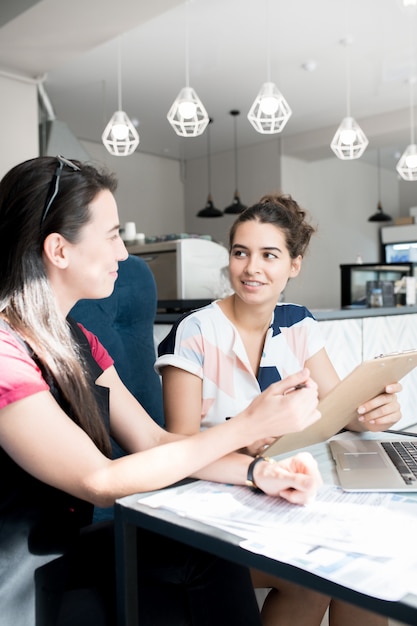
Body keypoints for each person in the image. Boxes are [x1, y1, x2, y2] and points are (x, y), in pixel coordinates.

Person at [0, 158, 324, 626]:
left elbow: (153, 441)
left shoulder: (77, 339)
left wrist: (257, 471)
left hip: (65, 547)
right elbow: (101, 481)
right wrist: (248, 427)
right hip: (21, 576)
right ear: (59, 249)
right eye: (112, 235)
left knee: (213, 548)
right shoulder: (7, 349)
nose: (124, 254)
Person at [155, 193, 403, 626]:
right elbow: (179, 450)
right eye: (240, 253)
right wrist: (248, 445)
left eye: (269, 255)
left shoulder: (298, 322)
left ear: (294, 264)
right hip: (212, 500)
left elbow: (337, 406)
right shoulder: (193, 332)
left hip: (280, 491)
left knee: (362, 571)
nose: (252, 268)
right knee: (313, 577)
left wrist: (371, 411)